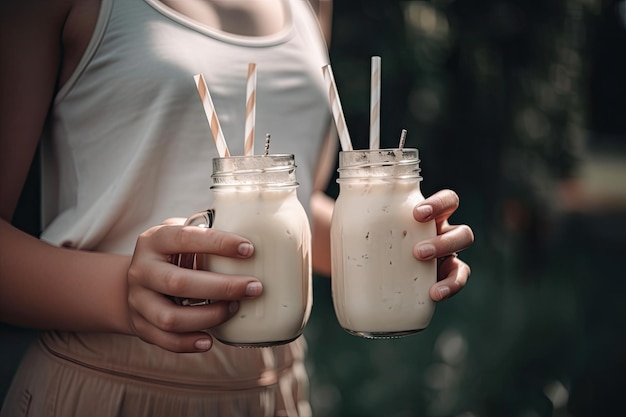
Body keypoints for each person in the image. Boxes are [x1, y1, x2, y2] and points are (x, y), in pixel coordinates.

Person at [0, 0, 474, 415]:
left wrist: (405, 242)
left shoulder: (312, 3)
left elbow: (289, 212)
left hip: (273, 390)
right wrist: (122, 291)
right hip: (106, 385)